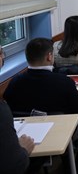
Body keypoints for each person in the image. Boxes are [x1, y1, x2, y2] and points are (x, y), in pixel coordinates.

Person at [4, 38, 78, 141]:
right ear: (49, 56)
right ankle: (77, 152)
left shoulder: (14, 82)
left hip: (26, 134)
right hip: (64, 130)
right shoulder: (64, 81)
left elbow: (10, 109)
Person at [0, 45, 35, 174]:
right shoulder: (1, 110)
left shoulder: (15, 82)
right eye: (0, 53)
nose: (3, 56)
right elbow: (14, 165)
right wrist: (24, 149)